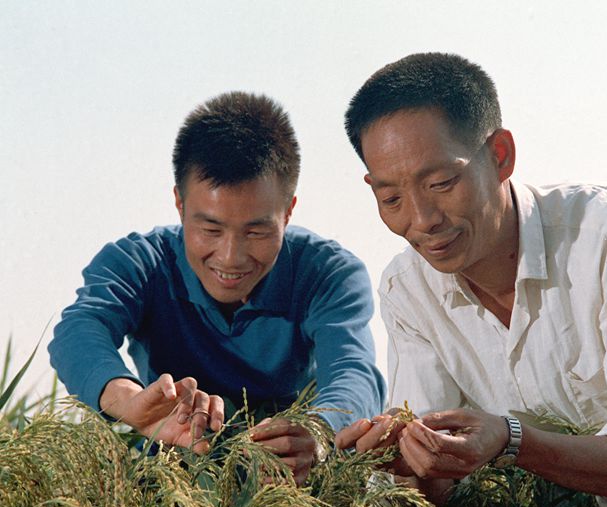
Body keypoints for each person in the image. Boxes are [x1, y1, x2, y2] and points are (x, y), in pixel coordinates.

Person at [335, 53, 607, 507]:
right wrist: (406, 463)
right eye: (391, 199)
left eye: (441, 183)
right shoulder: (407, 291)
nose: (422, 219)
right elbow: (438, 484)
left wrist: (511, 440)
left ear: (500, 155)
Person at [49, 91, 385, 482]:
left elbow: (353, 371)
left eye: (256, 232)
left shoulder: (329, 273)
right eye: (210, 229)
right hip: (172, 475)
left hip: (293, 478)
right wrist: (128, 401)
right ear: (179, 204)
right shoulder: (138, 262)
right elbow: (80, 329)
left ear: (288, 212)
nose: (230, 257)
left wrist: (319, 432)